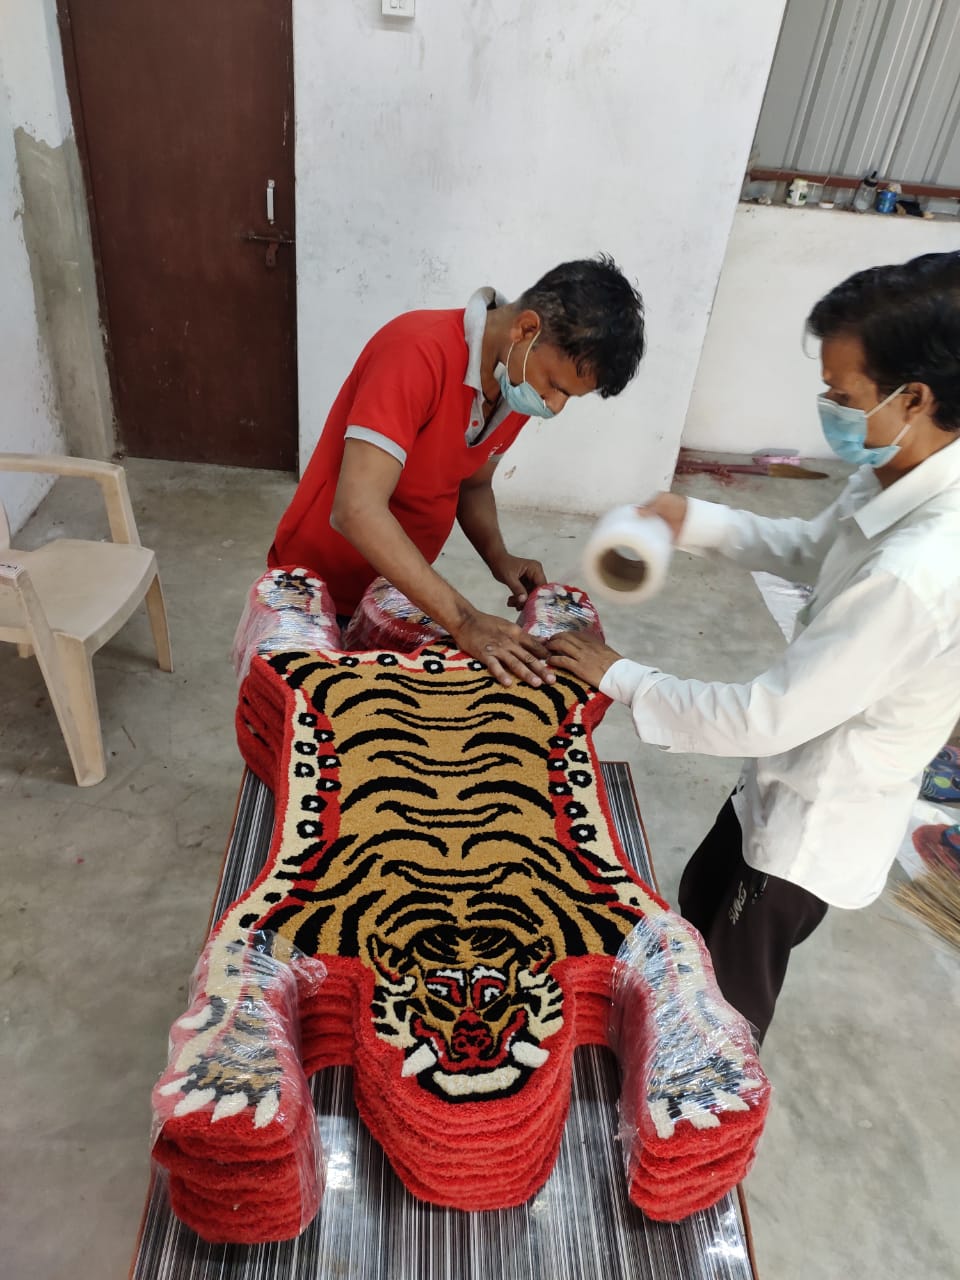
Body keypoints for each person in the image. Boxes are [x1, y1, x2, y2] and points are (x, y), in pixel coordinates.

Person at [548, 251, 960, 1042]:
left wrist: (624, 677)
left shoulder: (918, 575)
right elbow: (812, 548)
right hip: (773, 790)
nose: (830, 411)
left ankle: (697, 1109)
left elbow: (766, 717)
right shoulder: (895, 469)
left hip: (811, 822)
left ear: (915, 397)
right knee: (696, 912)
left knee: (723, 1015)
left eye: (844, 397)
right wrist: (695, 521)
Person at [270, 256, 646, 687]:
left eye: (568, 397)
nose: (554, 406)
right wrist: (465, 620)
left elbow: (474, 482)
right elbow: (356, 510)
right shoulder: (416, 351)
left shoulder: (515, 381)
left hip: (401, 591)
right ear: (526, 329)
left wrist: (498, 556)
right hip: (315, 587)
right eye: (556, 386)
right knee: (308, 709)